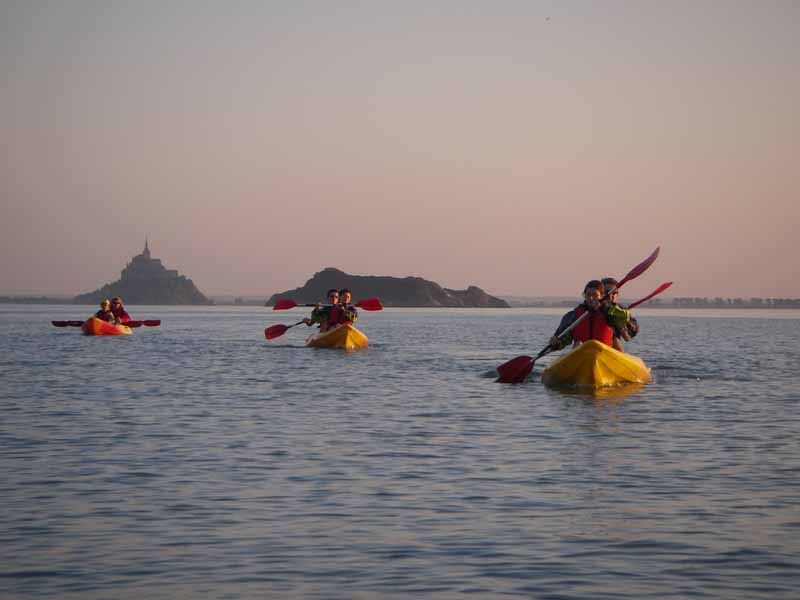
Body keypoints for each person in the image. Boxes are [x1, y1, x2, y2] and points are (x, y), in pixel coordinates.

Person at [549, 280, 631, 351]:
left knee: (616, 341)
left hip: (604, 353)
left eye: (595, 295)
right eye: (588, 295)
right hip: (581, 355)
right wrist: (556, 343)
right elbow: (563, 339)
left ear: (602, 296)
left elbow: (625, 317)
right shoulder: (574, 315)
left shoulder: (610, 312)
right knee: (578, 344)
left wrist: (606, 308)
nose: (591, 298)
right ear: (585, 296)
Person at [601, 277, 639, 351]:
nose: (611, 296)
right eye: (607, 292)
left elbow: (628, 337)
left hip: (611, 347)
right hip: (590, 345)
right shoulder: (588, 308)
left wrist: (627, 326)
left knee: (615, 340)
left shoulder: (621, 311)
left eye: (614, 293)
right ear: (600, 293)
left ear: (617, 295)